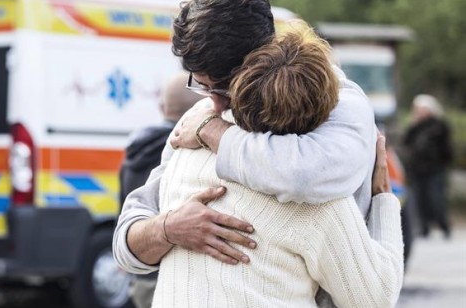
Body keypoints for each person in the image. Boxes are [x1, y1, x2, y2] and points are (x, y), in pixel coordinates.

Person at [114, 0, 377, 274]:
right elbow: (126, 244)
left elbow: (306, 173)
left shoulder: (337, 97)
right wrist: (167, 229)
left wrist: (212, 133)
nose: (213, 104)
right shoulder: (199, 115)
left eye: (225, 88)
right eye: (201, 85)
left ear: (264, 59)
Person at [152, 21, 403, 308]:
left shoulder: (188, 148)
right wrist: (384, 198)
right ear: (327, 109)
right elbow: (376, 298)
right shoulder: (318, 200)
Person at [118, 73, 203, 308]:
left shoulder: (133, 151)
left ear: (162, 106)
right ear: (199, 108)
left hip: (141, 274)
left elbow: (124, 210)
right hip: (171, 276)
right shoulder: (188, 151)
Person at [402, 94, 453, 238]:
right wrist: (413, 124)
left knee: (436, 198)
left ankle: (444, 226)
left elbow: (446, 148)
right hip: (417, 169)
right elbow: (407, 142)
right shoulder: (415, 126)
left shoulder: (439, 125)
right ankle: (424, 228)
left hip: (435, 168)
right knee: (419, 198)